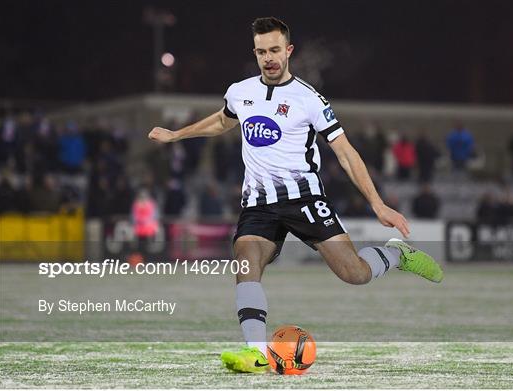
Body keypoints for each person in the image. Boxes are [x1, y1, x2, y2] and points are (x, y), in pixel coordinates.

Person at [148, 17, 443, 374]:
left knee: (354, 273)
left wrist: (377, 203)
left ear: (288, 51)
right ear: (254, 53)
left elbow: (346, 153)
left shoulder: (309, 99)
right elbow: (223, 121)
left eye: (274, 50)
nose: (268, 58)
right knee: (245, 263)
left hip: (304, 198)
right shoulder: (240, 91)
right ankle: (257, 353)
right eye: (261, 52)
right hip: (258, 203)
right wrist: (176, 135)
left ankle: (395, 254)